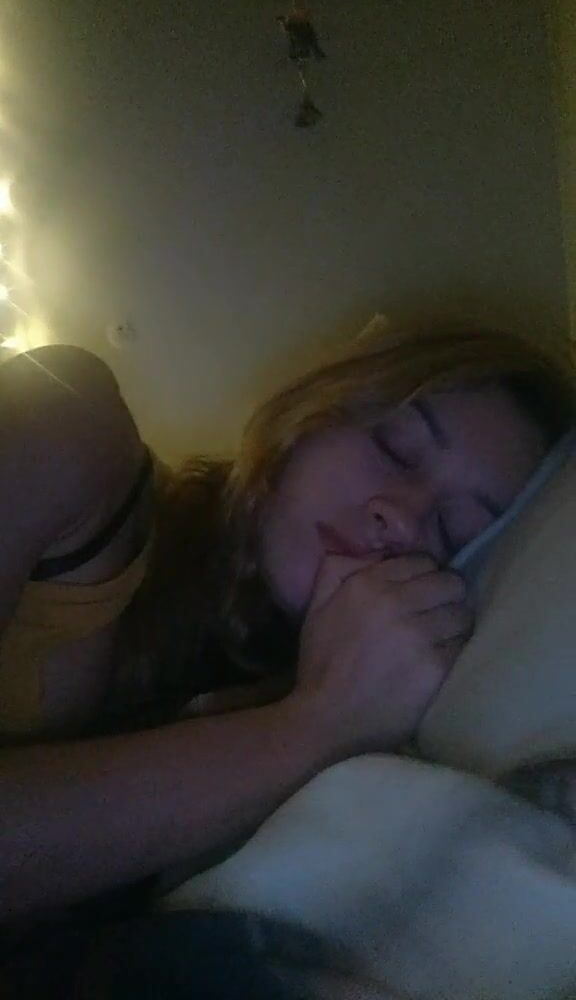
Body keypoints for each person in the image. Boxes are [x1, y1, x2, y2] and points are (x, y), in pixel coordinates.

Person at [0, 318, 573, 953]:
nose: (405, 519)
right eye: (397, 448)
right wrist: (316, 725)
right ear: (315, 413)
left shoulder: (357, 758)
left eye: (454, 529)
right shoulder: (69, 425)